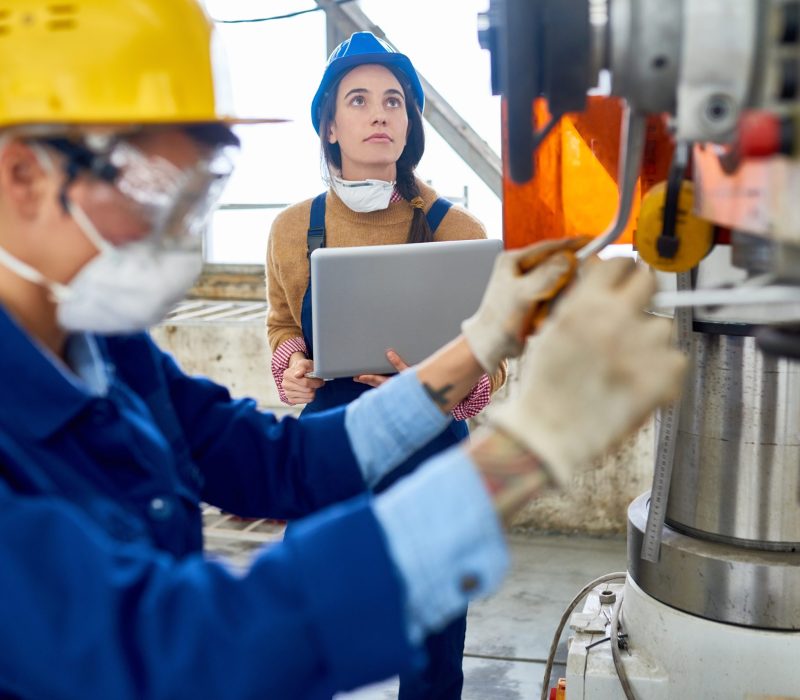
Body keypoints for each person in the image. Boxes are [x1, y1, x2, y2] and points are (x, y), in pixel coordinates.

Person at [0, 2, 686, 699]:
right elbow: (198, 649)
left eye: (198, 193)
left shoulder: (113, 358)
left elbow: (283, 464)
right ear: (24, 174)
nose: (178, 235)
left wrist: (479, 343)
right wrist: (525, 451)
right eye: (154, 189)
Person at [266, 31, 506, 698]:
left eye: (394, 101)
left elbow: (494, 367)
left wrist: (434, 390)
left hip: (431, 451)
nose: (380, 113)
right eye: (360, 100)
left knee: (432, 647)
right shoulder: (293, 228)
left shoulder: (457, 230)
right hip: (329, 446)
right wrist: (290, 367)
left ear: (409, 124)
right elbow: (283, 324)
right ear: (330, 126)